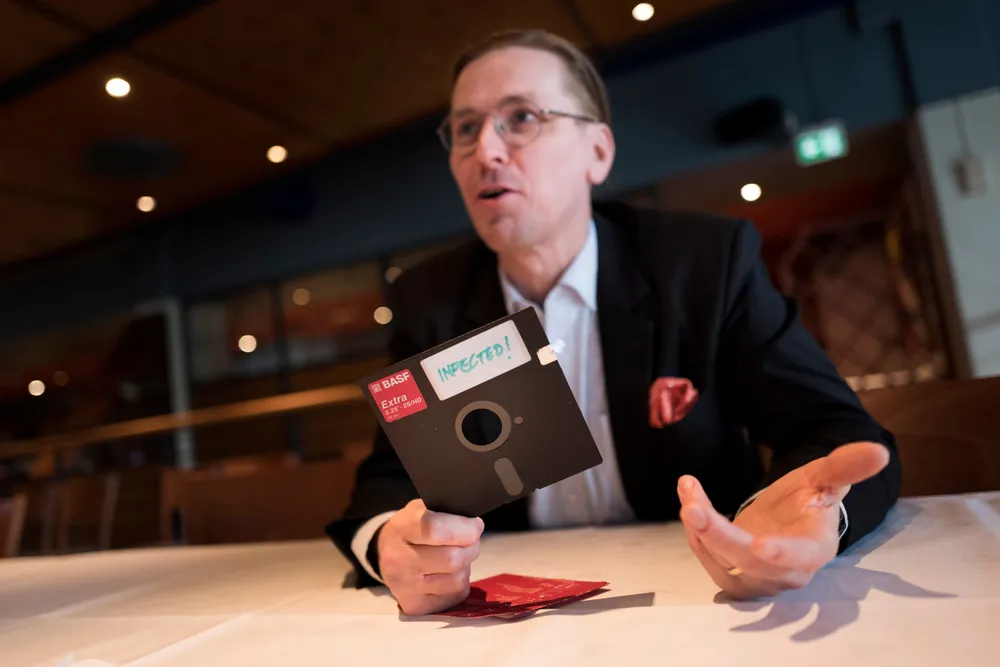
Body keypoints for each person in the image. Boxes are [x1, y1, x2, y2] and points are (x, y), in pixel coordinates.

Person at [325, 28, 901, 616]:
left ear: (598, 152)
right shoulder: (429, 300)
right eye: (466, 129)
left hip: (698, 596)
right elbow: (390, 479)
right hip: (520, 621)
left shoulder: (703, 263)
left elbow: (833, 429)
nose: (486, 152)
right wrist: (390, 544)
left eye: (521, 118)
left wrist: (808, 515)